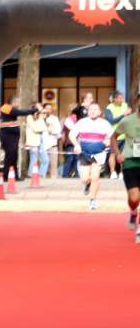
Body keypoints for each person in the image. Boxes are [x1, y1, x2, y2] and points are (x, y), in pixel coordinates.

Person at [69, 102, 113, 211]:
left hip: (99, 153)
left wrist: (107, 141)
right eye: (91, 109)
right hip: (84, 153)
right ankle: (86, 184)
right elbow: (71, 135)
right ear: (88, 112)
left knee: (95, 177)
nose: (93, 111)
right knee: (84, 178)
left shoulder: (105, 124)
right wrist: (76, 145)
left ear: (99, 112)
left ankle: (92, 200)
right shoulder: (81, 122)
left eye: (95, 109)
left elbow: (111, 137)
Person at [110, 91, 140, 241]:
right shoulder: (127, 121)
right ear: (137, 102)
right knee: (134, 198)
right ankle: (133, 211)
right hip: (131, 162)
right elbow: (113, 137)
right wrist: (117, 154)